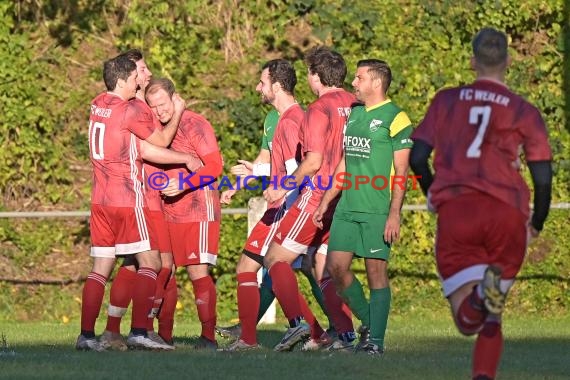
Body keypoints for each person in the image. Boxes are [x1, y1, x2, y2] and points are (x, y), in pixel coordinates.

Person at [409, 27, 552, 379]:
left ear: (473, 61)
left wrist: (431, 191)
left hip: (459, 209)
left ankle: (475, 301)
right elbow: (543, 177)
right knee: (493, 312)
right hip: (506, 212)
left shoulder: (446, 100)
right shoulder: (524, 111)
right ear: (507, 60)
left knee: (466, 321)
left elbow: (417, 158)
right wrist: (536, 223)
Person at [77, 54, 196, 351]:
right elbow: (161, 141)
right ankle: (141, 330)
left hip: (99, 200)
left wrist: (184, 158)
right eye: (134, 78)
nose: (136, 84)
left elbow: (137, 146)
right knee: (151, 262)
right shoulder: (130, 110)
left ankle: (86, 337)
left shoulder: (97, 103)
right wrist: (179, 110)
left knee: (101, 267)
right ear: (121, 80)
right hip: (126, 199)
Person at [220, 59, 328, 352]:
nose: (258, 87)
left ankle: (255, 338)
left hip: (285, 208)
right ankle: (315, 333)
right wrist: (250, 176)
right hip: (283, 205)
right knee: (275, 273)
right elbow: (276, 165)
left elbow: (300, 169)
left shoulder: (292, 121)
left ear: (277, 86)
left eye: (262, 82)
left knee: (254, 267)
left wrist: (279, 191)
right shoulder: (281, 119)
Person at [313, 59, 413, 355]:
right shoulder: (355, 114)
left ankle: (375, 344)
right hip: (347, 207)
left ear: (376, 83)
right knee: (335, 268)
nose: (353, 83)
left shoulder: (397, 118)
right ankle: (370, 323)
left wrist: (394, 213)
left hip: (376, 211)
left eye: (359, 78)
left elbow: (402, 173)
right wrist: (327, 199)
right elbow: (345, 162)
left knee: (376, 275)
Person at [263, 46, 356, 352]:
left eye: (308, 73)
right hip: (346, 195)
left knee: (275, 259)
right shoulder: (354, 104)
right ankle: (344, 335)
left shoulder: (318, 108)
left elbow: (313, 161)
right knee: (321, 267)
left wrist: (283, 186)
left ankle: (301, 325)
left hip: (318, 196)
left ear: (316, 76)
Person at [146, 77, 224, 350]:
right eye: (153, 107)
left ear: (174, 98)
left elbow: (215, 166)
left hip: (198, 208)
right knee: (165, 271)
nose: (160, 111)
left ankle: (208, 338)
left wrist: (184, 184)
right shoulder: (156, 129)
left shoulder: (195, 123)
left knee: (197, 272)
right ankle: (163, 336)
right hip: (169, 209)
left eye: (163, 104)